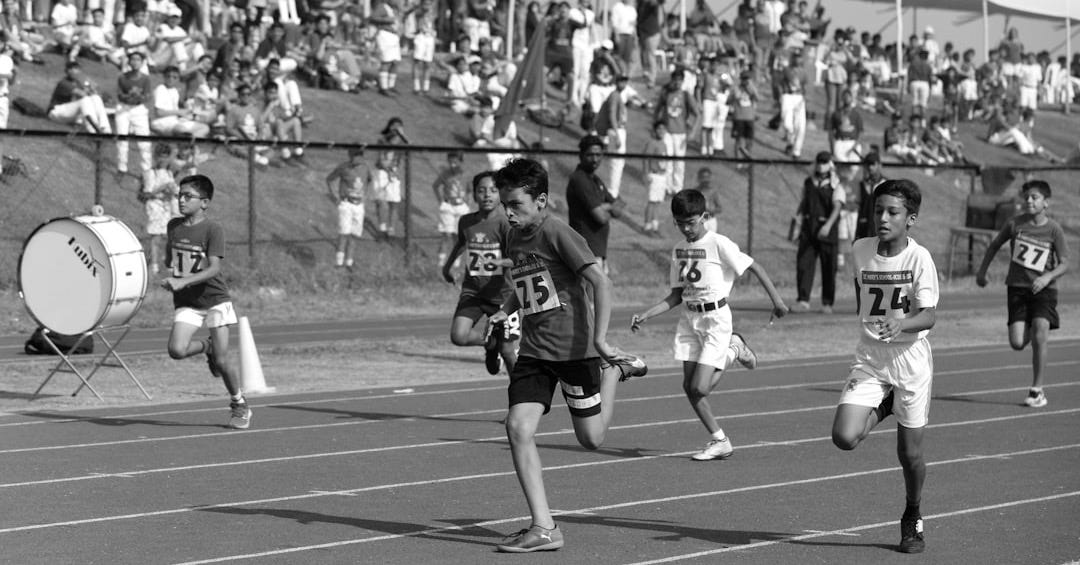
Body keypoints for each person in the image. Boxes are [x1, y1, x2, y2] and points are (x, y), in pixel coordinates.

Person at [488, 158, 646, 553]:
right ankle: (544, 527)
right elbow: (526, 283)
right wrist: (505, 308)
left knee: (591, 439)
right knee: (517, 428)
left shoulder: (559, 232)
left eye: (516, 205)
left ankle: (613, 373)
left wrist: (602, 341)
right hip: (535, 353)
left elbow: (600, 282)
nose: (508, 212)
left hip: (576, 352)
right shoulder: (513, 234)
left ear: (541, 200)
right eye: (504, 204)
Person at [630, 188, 787, 461]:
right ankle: (720, 440)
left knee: (700, 388)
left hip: (715, 319)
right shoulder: (679, 249)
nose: (685, 228)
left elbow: (754, 267)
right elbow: (676, 295)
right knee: (688, 387)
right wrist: (647, 314)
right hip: (689, 321)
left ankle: (733, 350)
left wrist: (778, 301)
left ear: (704, 216)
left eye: (690, 222)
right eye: (680, 223)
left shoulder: (718, 243)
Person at [831, 178, 938, 554]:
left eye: (893, 212)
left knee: (909, 455)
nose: (883, 218)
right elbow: (863, 294)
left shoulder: (918, 257)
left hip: (909, 360)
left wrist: (901, 323)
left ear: (911, 218)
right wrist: (877, 326)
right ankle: (884, 403)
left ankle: (912, 514)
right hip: (871, 357)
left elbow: (928, 317)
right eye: (878, 210)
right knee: (844, 437)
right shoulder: (861, 249)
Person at [162, 174, 251, 430]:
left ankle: (239, 403)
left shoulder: (213, 229)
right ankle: (206, 347)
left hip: (214, 300)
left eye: (187, 196)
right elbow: (174, 261)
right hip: (188, 301)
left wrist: (183, 280)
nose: (181, 200)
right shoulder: (173, 226)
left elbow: (213, 269)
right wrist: (174, 279)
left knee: (223, 362)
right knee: (176, 350)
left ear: (205, 202)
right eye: (179, 195)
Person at [975, 180, 1069, 408]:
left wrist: (1047, 277)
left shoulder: (1054, 229)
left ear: (1046, 202)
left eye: (1034, 197)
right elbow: (994, 245)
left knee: (1039, 333)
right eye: (1026, 197)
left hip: (1044, 290)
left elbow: (1064, 263)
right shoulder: (1014, 224)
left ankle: (1037, 390)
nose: (1029, 201)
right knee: (1017, 342)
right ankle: (1034, 331)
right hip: (1017, 288)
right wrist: (982, 272)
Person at [441, 171, 518, 375]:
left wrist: (499, 261)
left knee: (509, 352)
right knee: (458, 335)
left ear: (501, 194)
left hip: (503, 296)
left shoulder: (505, 224)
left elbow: (518, 258)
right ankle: (490, 343)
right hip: (473, 291)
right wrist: (447, 267)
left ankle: (521, 395)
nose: (487, 195)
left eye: (493, 190)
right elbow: (461, 244)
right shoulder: (466, 221)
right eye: (481, 191)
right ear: (474, 194)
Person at [791, 151, 844, 313]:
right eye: (819, 162)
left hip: (827, 230)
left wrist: (827, 226)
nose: (821, 165)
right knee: (804, 265)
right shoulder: (808, 182)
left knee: (829, 267)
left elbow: (837, 207)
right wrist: (797, 224)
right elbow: (803, 203)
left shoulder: (836, 184)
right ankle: (803, 300)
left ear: (830, 164)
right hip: (809, 229)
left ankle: (827, 303)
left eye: (824, 162)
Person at [566, 135, 624, 273]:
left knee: (602, 293)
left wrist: (606, 207)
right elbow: (601, 217)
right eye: (590, 155)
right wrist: (609, 206)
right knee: (592, 293)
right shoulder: (579, 180)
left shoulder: (595, 180)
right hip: (586, 250)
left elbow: (620, 206)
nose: (595, 159)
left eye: (598, 155)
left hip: (598, 250)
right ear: (581, 155)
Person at [325, 147, 373, 268]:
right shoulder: (344, 167)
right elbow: (329, 179)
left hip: (359, 205)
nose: (353, 158)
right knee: (344, 233)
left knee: (354, 235)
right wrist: (334, 196)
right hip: (346, 203)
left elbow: (370, 181)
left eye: (356, 156)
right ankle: (339, 262)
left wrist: (366, 196)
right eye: (351, 155)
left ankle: (349, 262)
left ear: (361, 156)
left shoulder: (365, 168)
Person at [654, 68, 699, 192]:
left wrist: (693, 131)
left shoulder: (685, 95)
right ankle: (667, 187)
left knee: (679, 163)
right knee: (667, 161)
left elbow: (697, 113)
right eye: (676, 80)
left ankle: (677, 188)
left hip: (680, 133)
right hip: (667, 131)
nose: (678, 83)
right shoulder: (666, 93)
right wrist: (656, 126)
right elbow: (657, 109)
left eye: (680, 80)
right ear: (672, 80)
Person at [140, 143, 181, 275]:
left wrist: (173, 190)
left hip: (167, 205)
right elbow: (147, 193)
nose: (163, 160)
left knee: (169, 236)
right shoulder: (150, 173)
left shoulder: (169, 172)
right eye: (160, 157)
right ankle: (154, 266)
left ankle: (168, 263)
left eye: (165, 156)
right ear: (155, 157)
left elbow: (173, 189)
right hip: (155, 205)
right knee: (155, 237)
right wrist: (162, 188)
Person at [114, 51, 152, 177]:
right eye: (133, 59)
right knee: (122, 138)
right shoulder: (123, 77)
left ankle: (147, 171)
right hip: (124, 108)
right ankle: (122, 167)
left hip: (138, 109)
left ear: (142, 62)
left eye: (138, 59)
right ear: (129, 61)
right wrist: (129, 96)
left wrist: (138, 96)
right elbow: (120, 95)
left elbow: (147, 96)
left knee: (144, 140)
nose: (135, 62)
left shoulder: (145, 79)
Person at [433, 150, 470, 267]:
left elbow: (469, 189)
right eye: (450, 162)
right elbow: (435, 185)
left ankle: (456, 263)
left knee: (457, 235)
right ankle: (441, 262)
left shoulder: (466, 175)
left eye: (455, 162)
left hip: (461, 207)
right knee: (446, 234)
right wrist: (440, 201)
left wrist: (467, 203)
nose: (452, 164)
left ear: (460, 161)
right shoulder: (445, 174)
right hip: (448, 206)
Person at [374, 117, 407, 238]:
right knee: (381, 201)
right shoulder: (382, 140)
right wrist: (388, 170)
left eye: (399, 126)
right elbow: (381, 158)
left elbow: (407, 151)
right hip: (382, 172)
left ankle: (391, 229)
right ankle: (381, 227)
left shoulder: (402, 142)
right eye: (394, 126)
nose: (396, 129)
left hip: (394, 173)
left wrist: (402, 136)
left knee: (394, 202)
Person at [641, 120, 671, 235]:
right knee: (652, 202)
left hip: (662, 176)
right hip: (653, 175)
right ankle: (647, 226)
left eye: (663, 129)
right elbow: (646, 159)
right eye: (659, 129)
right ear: (655, 130)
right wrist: (646, 173)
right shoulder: (652, 143)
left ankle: (655, 226)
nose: (661, 131)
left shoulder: (663, 144)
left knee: (658, 202)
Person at [853, 152, 886, 240]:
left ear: (879, 165)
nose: (870, 167)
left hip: (881, 227)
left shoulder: (886, 184)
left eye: (873, 164)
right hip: (863, 227)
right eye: (867, 165)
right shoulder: (861, 184)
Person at [730, 70, 758, 161]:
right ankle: (738, 162)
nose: (745, 81)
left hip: (750, 117)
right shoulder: (736, 88)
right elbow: (734, 97)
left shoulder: (752, 88)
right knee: (739, 140)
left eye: (747, 79)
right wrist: (741, 89)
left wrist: (750, 88)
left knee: (750, 141)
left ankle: (747, 159)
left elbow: (757, 98)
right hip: (739, 117)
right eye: (744, 78)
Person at [693, 167, 723, 232]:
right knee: (701, 240)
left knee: (711, 240)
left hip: (711, 219)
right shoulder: (696, 191)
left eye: (707, 179)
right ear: (699, 179)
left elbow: (720, 208)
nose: (705, 182)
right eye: (703, 179)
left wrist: (711, 210)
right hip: (700, 219)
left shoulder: (713, 191)